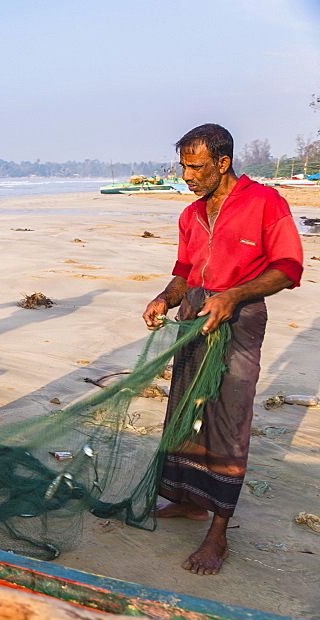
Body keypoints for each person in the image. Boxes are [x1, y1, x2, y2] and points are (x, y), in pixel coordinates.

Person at [142, 123, 303, 575]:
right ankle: (190, 501)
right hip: (194, 314)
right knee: (186, 410)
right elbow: (183, 272)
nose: (187, 175)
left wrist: (233, 296)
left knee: (229, 419)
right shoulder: (191, 214)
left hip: (239, 317)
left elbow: (289, 267)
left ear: (223, 162)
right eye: (183, 166)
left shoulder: (265, 202)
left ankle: (218, 534)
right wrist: (164, 298)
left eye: (195, 167)